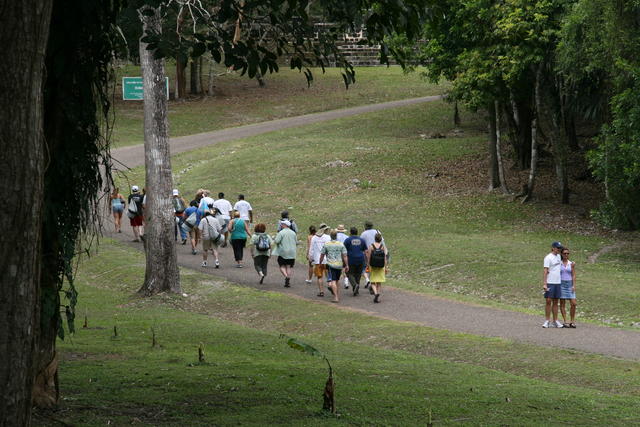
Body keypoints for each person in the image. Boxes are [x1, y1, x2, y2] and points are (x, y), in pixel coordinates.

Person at [319, 230, 349, 303]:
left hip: (331, 264)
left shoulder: (327, 244)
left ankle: (335, 297)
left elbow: (322, 255)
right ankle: (336, 295)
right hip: (339, 265)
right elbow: (345, 256)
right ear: (336, 236)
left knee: (333, 280)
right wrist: (347, 265)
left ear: (330, 236)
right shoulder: (341, 244)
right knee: (337, 280)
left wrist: (320, 263)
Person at [543, 241, 564, 328]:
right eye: (558, 248)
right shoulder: (548, 258)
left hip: (558, 282)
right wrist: (545, 283)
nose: (559, 250)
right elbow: (545, 270)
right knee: (548, 301)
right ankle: (547, 320)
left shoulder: (559, 256)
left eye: (560, 248)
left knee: (556, 301)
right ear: (553, 248)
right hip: (550, 282)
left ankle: (555, 320)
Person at [343, 227, 368, 296]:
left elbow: (344, 251)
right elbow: (366, 251)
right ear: (357, 232)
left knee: (348, 273)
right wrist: (367, 261)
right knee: (358, 274)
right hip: (360, 259)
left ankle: (354, 285)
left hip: (351, 259)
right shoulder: (362, 240)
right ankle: (356, 290)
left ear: (350, 233)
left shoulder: (347, 240)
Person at [360, 221, 385, 289]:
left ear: (365, 226)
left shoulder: (363, 234)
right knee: (377, 269)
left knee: (367, 267)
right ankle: (374, 284)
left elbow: (361, 244)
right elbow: (382, 241)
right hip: (379, 252)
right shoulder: (377, 231)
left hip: (368, 253)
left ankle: (370, 282)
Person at [309, 223, 330, 297]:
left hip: (318, 260)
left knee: (319, 276)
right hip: (327, 260)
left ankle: (321, 291)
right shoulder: (328, 237)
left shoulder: (314, 237)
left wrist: (311, 258)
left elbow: (311, 249)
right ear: (325, 230)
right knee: (328, 276)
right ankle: (330, 286)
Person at [274, 220, 297, 287]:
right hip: (292, 252)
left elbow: (277, 241)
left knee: (282, 266)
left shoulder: (281, 233)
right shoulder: (293, 233)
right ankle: (288, 277)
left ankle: (286, 276)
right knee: (288, 266)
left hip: (283, 252)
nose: (281, 225)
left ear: (285, 225)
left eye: (282, 224)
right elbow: (296, 241)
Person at [559, 247, 578, 328]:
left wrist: (573, 285)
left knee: (573, 303)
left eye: (567, 253)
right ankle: (565, 321)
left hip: (569, 284)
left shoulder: (571, 263)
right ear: (562, 254)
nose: (566, 255)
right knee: (562, 303)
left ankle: (572, 321)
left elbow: (573, 275)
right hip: (561, 284)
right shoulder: (559, 263)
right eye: (564, 253)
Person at [368, 233, 388, 303]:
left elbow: (369, 257)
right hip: (381, 266)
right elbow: (385, 258)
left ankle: (375, 293)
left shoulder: (371, 246)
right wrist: (386, 267)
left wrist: (368, 265)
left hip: (373, 266)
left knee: (373, 281)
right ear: (380, 239)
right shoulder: (382, 247)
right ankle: (378, 295)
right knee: (379, 282)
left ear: (375, 238)